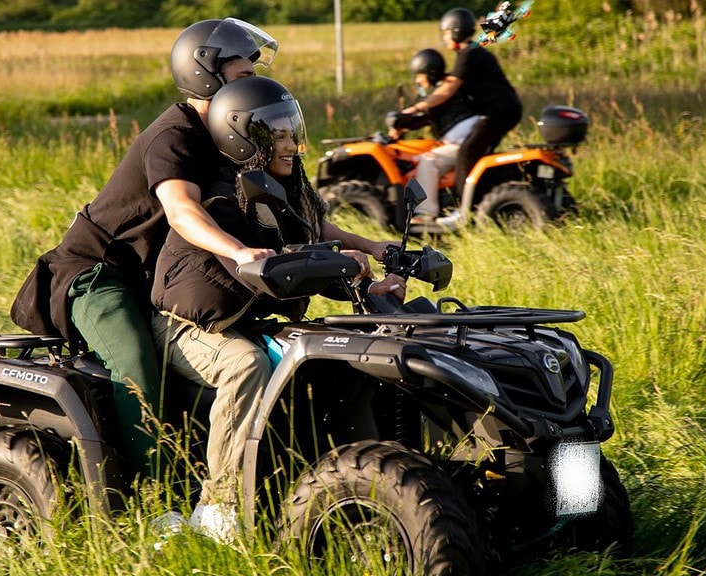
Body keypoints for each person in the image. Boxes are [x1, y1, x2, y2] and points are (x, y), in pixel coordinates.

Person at [9, 18, 280, 480]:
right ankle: (155, 498)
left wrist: (365, 247)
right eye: (242, 75)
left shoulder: (225, 131)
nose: (252, 83)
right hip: (99, 273)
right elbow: (181, 211)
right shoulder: (174, 134)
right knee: (135, 363)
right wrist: (239, 252)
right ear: (205, 74)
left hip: (157, 277)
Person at [150, 76, 405, 542]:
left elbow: (314, 232)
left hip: (244, 319)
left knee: (350, 348)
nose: (292, 144)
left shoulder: (286, 186)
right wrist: (243, 253)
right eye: (279, 135)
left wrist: (372, 267)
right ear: (243, 136)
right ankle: (218, 512)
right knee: (244, 366)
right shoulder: (221, 196)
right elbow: (254, 251)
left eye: (292, 132)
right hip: (185, 326)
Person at [399, 7, 523, 224]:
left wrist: (414, 109)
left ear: (455, 31)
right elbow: (448, 84)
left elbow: (447, 90)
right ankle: (467, 205)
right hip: (502, 111)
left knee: (466, 153)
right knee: (473, 153)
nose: (444, 39)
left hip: (499, 111)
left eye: (446, 33)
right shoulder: (469, 55)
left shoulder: (469, 54)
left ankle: (461, 211)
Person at [390, 48, 479, 224]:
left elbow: (427, 114)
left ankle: (425, 214)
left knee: (428, 162)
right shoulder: (443, 88)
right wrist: (403, 124)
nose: (416, 80)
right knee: (419, 157)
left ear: (430, 73)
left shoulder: (443, 91)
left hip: (462, 144)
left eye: (419, 75)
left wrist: (401, 120)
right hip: (460, 143)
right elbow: (428, 117)